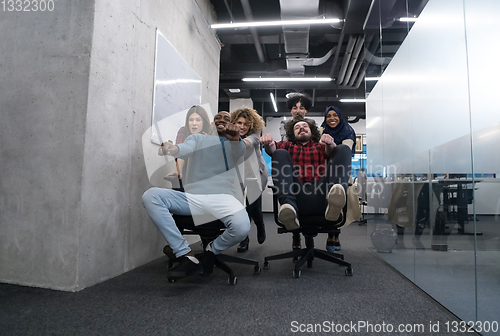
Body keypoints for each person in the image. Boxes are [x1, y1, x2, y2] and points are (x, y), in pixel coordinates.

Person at [142, 109, 250, 280]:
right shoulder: (198, 138)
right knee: (151, 196)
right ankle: (185, 254)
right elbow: (185, 148)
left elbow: (239, 152)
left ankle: (212, 249)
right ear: (212, 124)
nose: (221, 120)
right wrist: (173, 148)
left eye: (226, 118)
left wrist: (235, 138)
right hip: (193, 197)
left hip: (223, 198)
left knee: (242, 227)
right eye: (218, 118)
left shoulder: (238, 143)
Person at [260, 117, 352, 249]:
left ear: (312, 131)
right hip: (297, 198)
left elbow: (331, 152)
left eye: (305, 126)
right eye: (297, 127)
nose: (301, 128)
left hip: (322, 195)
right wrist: (268, 142)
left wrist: (330, 143)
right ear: (292, 133)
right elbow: (272, 149)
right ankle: (288, 206)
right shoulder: (287, 146)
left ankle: (335, 197)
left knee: (343, 148)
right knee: (279, 153)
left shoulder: (320, 146)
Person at [319, 106, 357, 252]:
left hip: (341, 172)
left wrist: (329, 144)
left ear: (340, 116)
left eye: (335, 115)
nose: (332, 118)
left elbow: (344, 152)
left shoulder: (348, 131)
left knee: (339, 202)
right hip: (323, 172)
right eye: (328, 116)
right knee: (328, 203)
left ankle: (335, 235)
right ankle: (330, 234)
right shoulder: (321, 130)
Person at [230, 107, 268, 252]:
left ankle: (260, 224)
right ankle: (244, 239)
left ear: (251, 126)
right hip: (237, 177)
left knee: (253, 208)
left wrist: (234, 140)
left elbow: (247, 143)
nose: (242, 126)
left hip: (255, 176)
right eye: (239, 123)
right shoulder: (228, 137)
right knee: (241, 209)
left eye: (246, 124)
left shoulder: (255, 136)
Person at [164, 105, 212, 183]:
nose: (194, 123)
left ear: (204, 122)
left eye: (198, 120)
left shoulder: (209, 137)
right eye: (191, 120)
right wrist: (179, 172)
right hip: (187, 174)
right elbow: (181, 152)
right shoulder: (183, 131)